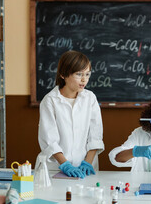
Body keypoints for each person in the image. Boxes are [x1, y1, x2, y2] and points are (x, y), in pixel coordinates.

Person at [36, 50, 104, 179]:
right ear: (63, 74)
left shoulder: (90, 98)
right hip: (56, 168)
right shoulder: (50, 100)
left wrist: (87, 163)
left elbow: (95, 136)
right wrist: (65, 165)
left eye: (87, 74)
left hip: (85, 168)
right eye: (79, 74)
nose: (84, 79)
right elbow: (49, 140)